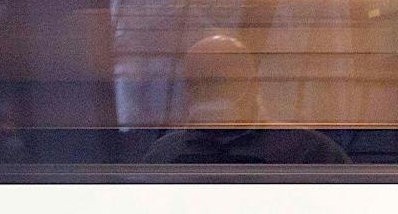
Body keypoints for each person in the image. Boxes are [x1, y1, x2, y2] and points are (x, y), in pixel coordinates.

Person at [144, 33, 348, 166]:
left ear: (252, 84)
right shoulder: (164, 154)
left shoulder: (308, 151)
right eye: (193, 84)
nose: (205, 92)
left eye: (217, 81)